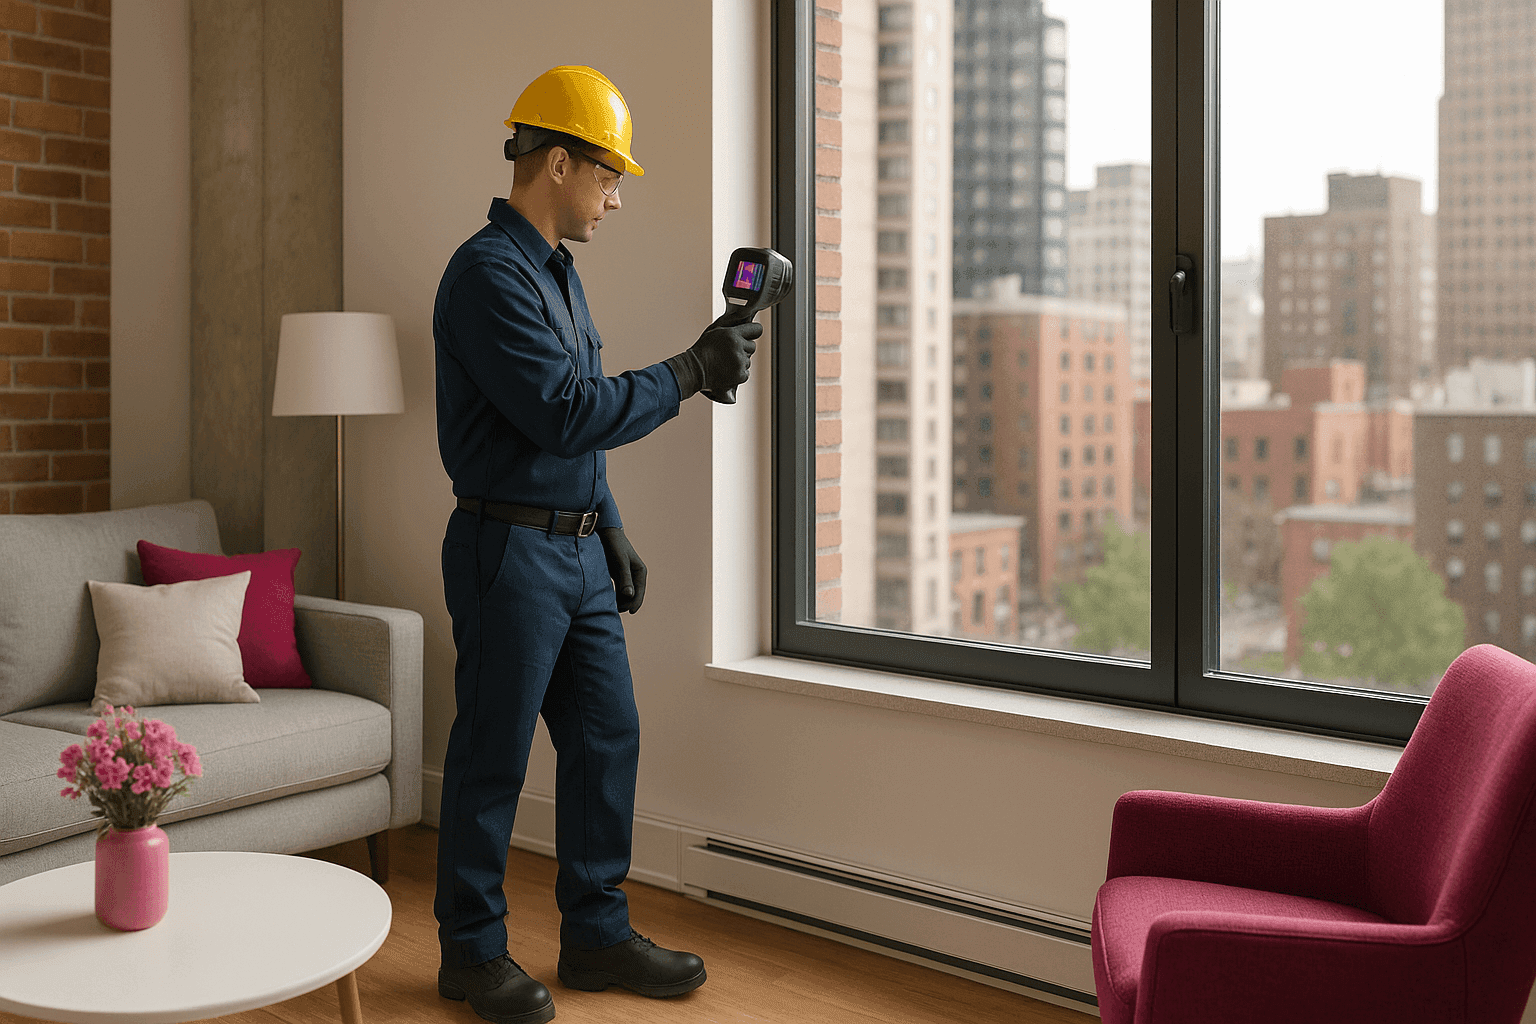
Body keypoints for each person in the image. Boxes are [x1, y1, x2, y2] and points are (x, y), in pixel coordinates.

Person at [431, 65, 760, 1024]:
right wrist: (694, 368)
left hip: (572, 552)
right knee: (493, 754)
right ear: (560, 163)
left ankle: (597, 935)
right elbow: (570, 412)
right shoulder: (487, 276)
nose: (616, 196)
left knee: (606, 737)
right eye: (610, 176)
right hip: (508, 554)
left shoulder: (561, 276)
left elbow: (568, 433)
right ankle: (469, 953)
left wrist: (609, 530)